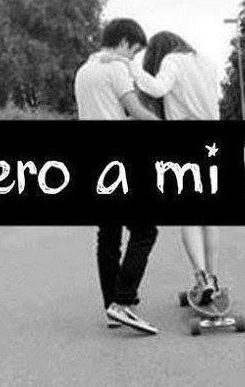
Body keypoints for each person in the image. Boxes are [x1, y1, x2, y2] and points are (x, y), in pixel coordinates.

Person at [101, 31, 223, 306]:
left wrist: (127, 64)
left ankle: (202, 278)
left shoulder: (172, 60)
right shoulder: (205, 61)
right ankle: (213, 279)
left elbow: (157, 88)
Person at [74, 18, 161, 335]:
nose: (133, 57)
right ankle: (123, 301)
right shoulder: (115, 69)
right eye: (135, 51)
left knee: (109, 236)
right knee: (145, 230)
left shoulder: (84, 70)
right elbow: (134, 109)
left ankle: (112, 308)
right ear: (124, 41)